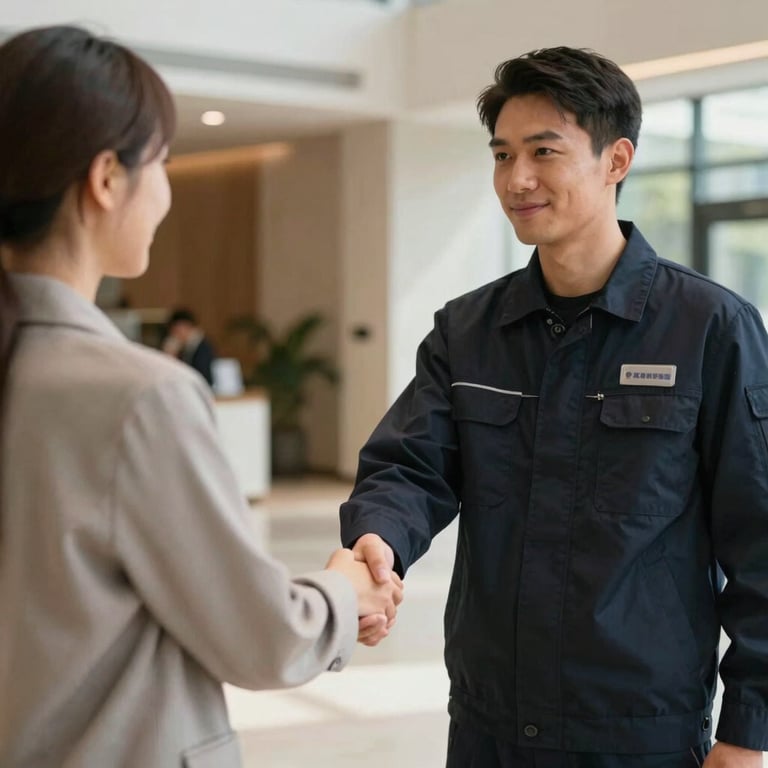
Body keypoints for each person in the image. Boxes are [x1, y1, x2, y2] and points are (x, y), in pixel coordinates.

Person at [340, 46, 768, 767]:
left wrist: (748, 733)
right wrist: (378, 539)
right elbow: (408, 467)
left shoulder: (710, 329)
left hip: (638, 732)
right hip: (489, 721)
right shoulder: (467, 331)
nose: (517, 179)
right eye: (502, 155)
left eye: (544, 152)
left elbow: (762, 538)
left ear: (616, 160)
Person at [0, 25, 402, 768]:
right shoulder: (138, 397)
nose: (165, 191)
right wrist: (345, 590)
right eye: (162, 162)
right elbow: (262, 638)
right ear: (106, 180)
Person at [162, 307, 216, 386]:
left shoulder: (202, 347)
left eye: (176, 331)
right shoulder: (185, 347)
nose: (174, 335)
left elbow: (201, 376)